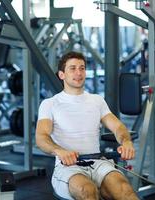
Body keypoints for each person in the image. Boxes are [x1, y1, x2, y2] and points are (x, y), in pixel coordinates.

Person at [36, 51, 138, 200]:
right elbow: (41, 137)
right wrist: (59, 151)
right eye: (72, 68)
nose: (78, 73)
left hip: (99, 163)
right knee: (87, 190)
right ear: (61, 75)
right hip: (68, 167)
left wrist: (126, 141)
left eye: (82, 68)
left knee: (125, 191)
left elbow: (118, 127)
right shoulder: (50, 104)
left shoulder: (97, 101)